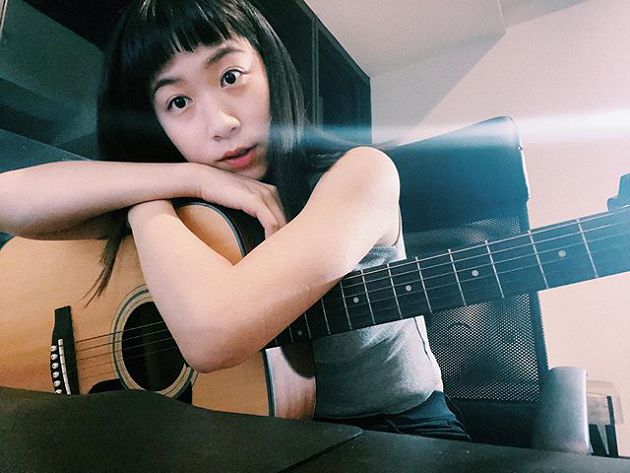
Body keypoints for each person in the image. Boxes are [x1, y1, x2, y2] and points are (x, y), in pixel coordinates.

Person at [0, 0, 468, 440]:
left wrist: (144, 206)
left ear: (269, 67)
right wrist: (182, 182)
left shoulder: (360, 174)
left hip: (395, 434)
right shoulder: (187, 201)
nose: (221, 123)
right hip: (252, 438)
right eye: (178, 102)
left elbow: (211, 335)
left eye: (230, 76)